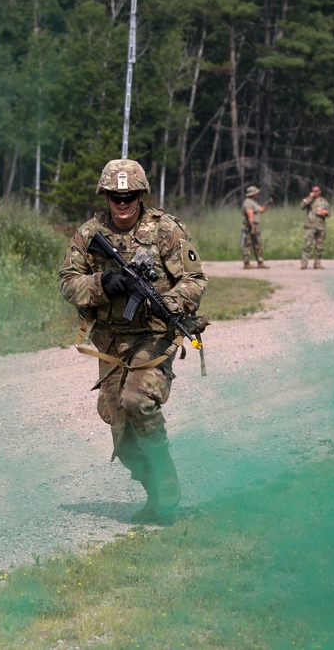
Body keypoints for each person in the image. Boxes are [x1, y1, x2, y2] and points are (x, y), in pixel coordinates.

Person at [58, 158, 208, 525]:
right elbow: (67, 281)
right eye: (115, 196)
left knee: (136, 401)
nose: (121, 202)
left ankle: (166, 489)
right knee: (118, 424)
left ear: (140, 194)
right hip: (111, 340)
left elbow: (194, 279)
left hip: (156, 334)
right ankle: (155, 493)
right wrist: (101, 285)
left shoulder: (166, 230)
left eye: (128, 196)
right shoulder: (90, 233)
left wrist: (169, 303)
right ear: (106, 195)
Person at [300, 185, 330, 269]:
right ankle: (304, 263)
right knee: (307, 245)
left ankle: (317, 264)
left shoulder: (324, 201)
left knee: (319, 246)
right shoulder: (309, 199)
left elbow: (329, 213)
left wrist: (325, 212)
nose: (314, 192)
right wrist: (309, 198)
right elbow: (301, 207)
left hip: (321, 226)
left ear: (320, 192)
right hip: (310, 226)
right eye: (313, 191)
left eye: (316, 191)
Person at [241, 185, 269, 269]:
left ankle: (260, 262)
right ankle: (247, 263)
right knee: (248, 244)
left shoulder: (253, 202)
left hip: (254, 226)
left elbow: (261, 210)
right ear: (252, 194)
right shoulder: (248, 202)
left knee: (258, 244)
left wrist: (268, 203)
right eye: (256, 193)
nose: (258, 194)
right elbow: (250, 216)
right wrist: (252, 227)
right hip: (250, 227)